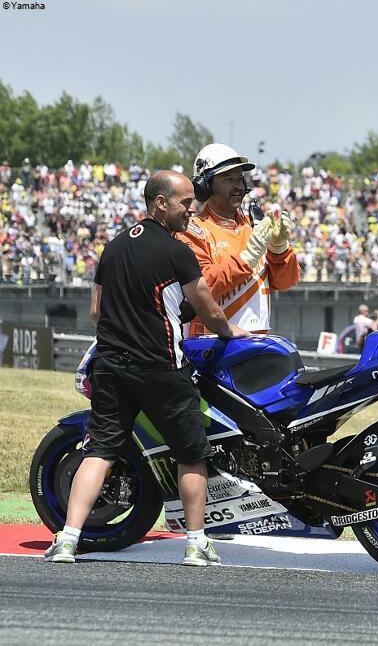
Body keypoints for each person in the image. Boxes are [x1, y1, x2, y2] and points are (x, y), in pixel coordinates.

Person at [44, 171, 248, 566]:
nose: (192, 209)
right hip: (161, 367)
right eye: (185, 202)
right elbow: (205, 303)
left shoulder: (114, 247)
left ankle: (68, 540)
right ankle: (196, 543)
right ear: (160, 203)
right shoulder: (177, 252)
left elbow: (95, 311)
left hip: (111, 367)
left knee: (100, 451)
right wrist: (227, 330)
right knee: (190, 454)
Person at [176, 144, 301, 336]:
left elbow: (286, 282)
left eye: (239, 179)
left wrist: (279, 249)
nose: (238, 187)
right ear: (205, 186)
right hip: (213, 345)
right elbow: (201, 291)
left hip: (257, 341)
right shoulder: (193, 230)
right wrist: (247, 258)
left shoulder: (256, 225)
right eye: (228, 180)